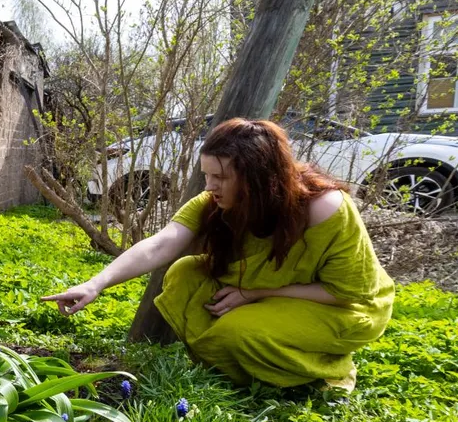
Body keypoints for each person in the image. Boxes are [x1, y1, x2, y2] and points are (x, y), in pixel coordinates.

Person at [43, 118, 394, 390]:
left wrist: (255, 293)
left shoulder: (324, 208)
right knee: (184, 274)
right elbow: (161, 244)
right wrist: (96, 283)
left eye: (220, 177)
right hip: (270, 291)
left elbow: (346, 292)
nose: (209, 186)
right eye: (206, 175)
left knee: (237, 333)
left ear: (259, 177)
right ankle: (235, 360)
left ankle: (325, 367)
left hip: (343, 307)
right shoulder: (215, 202)